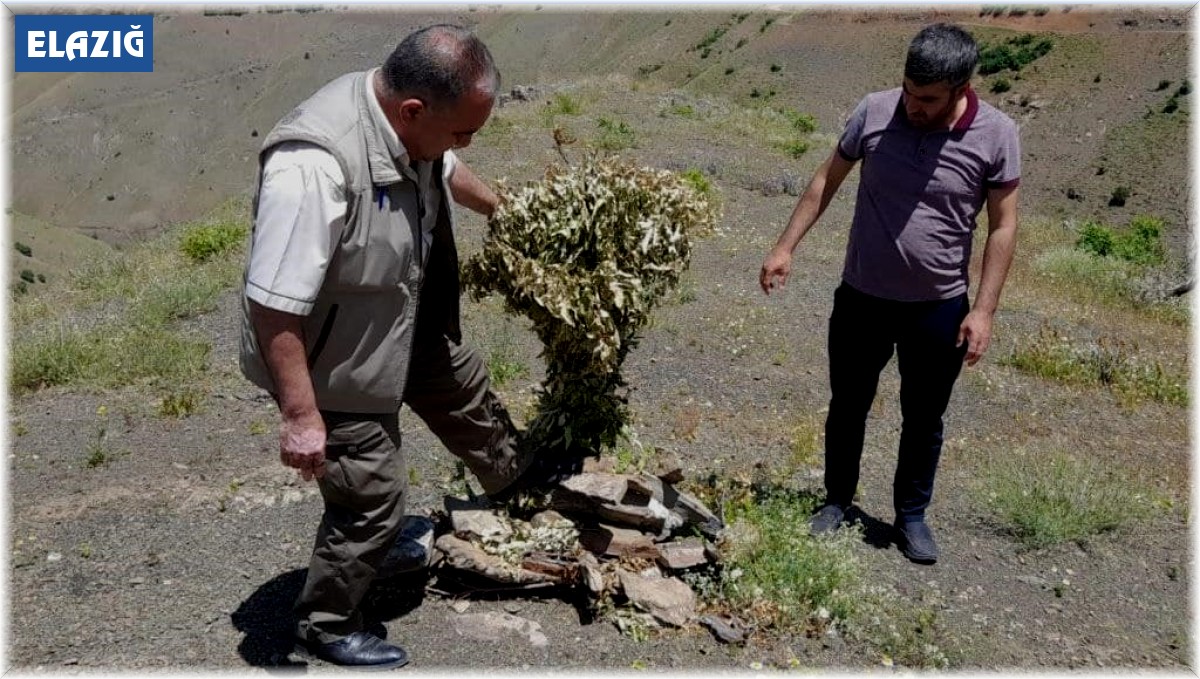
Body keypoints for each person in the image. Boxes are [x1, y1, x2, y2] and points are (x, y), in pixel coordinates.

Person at [239, 24, 560, 668]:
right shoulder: (314, 165)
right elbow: (272, 305)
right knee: (373, 492)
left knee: (465, 391)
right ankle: (325, 622)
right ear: (412, 111)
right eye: (461, 130)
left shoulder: (411, 126)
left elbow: (446, 165)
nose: (464, 144)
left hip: (400, 321)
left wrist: (508, 213)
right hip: (331, 360)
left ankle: (522, 496)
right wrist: (302, 417)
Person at [759, 23, 1020, 565]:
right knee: (847, 404)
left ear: (961, 89)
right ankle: (836, 501)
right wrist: (785, 247)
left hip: (939, 307)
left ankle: (912, 516)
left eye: (926, 98)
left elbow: (1002, 225)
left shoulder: (997, 134)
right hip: (861, 297)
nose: (912, 105)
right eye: (907, 90)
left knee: (924, 418)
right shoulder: (874, 111)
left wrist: (985, 310)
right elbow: (825, 179)